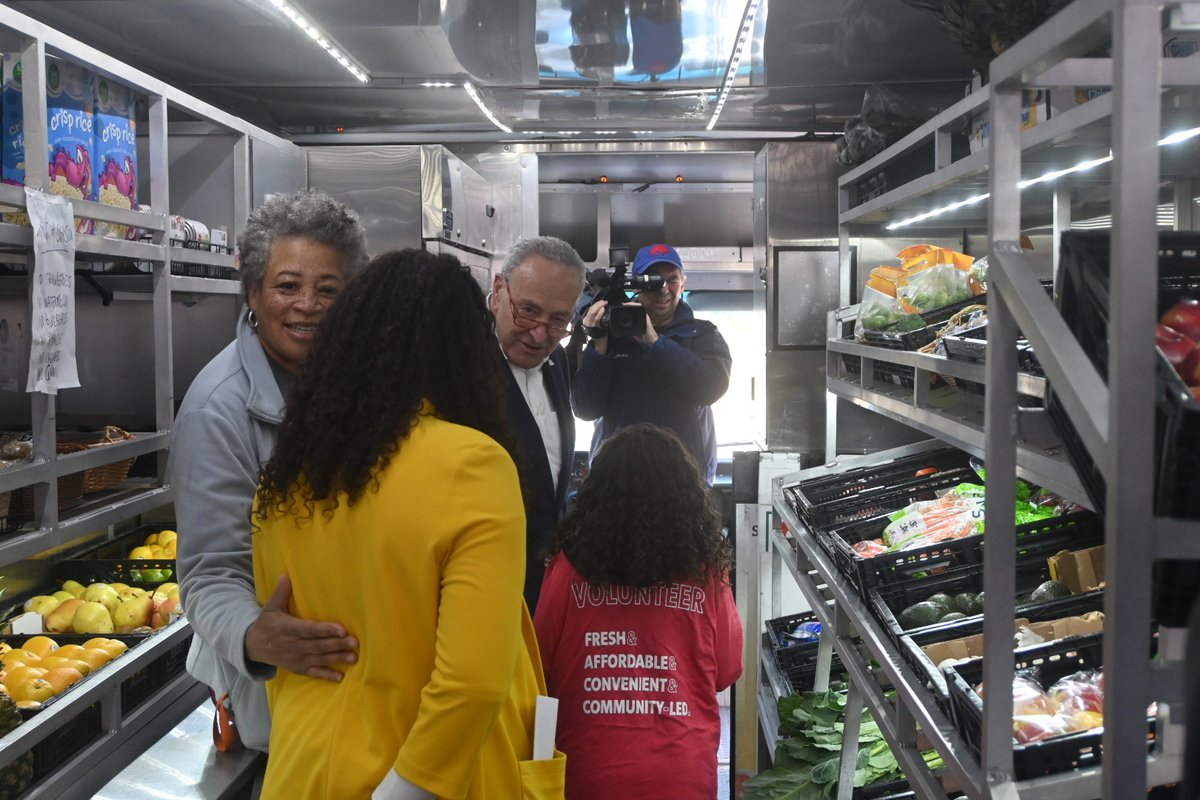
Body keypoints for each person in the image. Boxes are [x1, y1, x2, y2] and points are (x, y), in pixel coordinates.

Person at [251, 249, 564, 799]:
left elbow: (289, 644)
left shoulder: (291, 473)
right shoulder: (473, 464)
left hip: (303, 767)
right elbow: (472, 682)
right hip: (424, 777)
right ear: (465, 353)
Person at [173, 190, 368, 755]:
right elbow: (209, 573)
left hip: (359, 694)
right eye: (287, 286)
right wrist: (254, 634)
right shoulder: (218, 409)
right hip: (281, 704)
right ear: (254, 291)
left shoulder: (359, 384)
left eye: (328, 289)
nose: (308, 305)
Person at [533, 423, 743, 799]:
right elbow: (727, 669)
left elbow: (539, 663)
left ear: (596, 495)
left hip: (589, 775)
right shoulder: (707, 573)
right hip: (683, 776)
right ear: (686, 498)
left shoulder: (567, 568)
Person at [572, 243, 732, 486]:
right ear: (637, 286)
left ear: (683, 284)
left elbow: (710, 388)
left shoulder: (702, 334)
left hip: (683, 479)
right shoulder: (612, 334)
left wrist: (655, 342)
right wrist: (599, 345)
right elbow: (585, 409)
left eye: (672, 279)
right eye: (653, 281)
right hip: (616, 479)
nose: (663, 289)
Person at [488, 236, 587, 611]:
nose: (540, 334)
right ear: (499, 291)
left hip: (544, 595)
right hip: (486, 594)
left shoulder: (557, 361)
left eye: (559, 320)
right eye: (528, 311)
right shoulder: (460, 371)